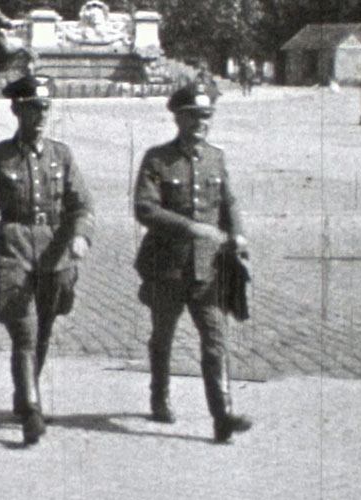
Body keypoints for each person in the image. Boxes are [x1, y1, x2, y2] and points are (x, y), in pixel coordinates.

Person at [0, 74, 95, 446]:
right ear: (16, 110)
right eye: (32, 109)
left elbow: (81, 204)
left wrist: (81, 237)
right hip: (13, 249)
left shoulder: (61, 155)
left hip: (54, 254)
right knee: (25, 331)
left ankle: (24, 397)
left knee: (45, 329)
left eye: (44, 109)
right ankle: (33, 413)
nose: (40, 117)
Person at [133, 83, 252, 443]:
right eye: (195, 116)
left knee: (215, 342)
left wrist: (239, 235)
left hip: (208, 270)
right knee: (163, 337)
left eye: (207, 116)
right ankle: (160, 395)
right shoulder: (157, 159)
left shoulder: (216, 157)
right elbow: (145, 208)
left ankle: (222, 415)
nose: (202, 123)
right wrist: (191, 228)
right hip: (166, 267)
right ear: (178, 118)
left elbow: (227, 202)